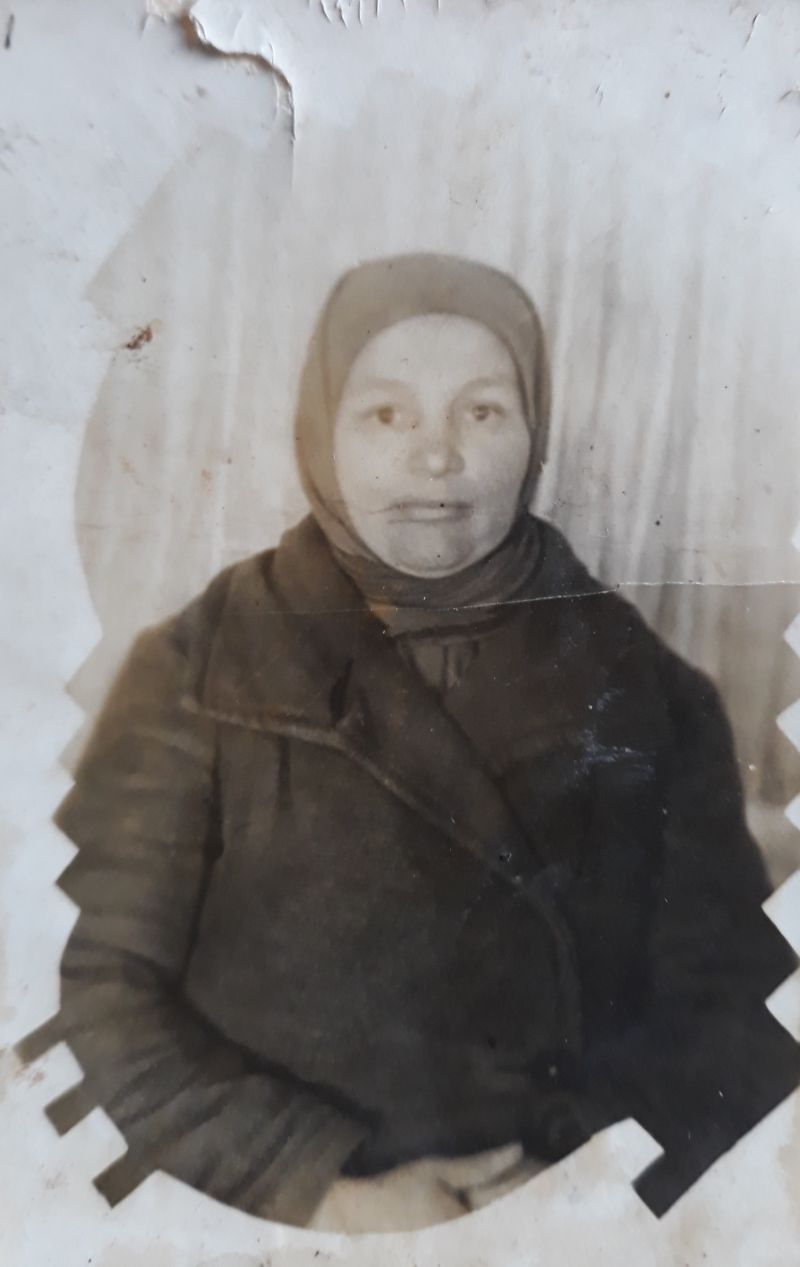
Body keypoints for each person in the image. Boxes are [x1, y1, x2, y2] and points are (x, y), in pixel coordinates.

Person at [21, 254, 799, 1230]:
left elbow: (733, 1012)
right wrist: (321, 1192)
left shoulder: (650, 690)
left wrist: (591, 1191)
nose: (436, 458)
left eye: (482, 411)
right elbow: (84, 993)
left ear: (534, 432)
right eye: (386, 414)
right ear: (322, 431)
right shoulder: (197, 668)